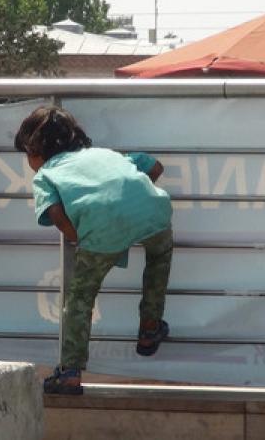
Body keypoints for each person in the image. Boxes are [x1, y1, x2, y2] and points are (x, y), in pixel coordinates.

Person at [14, 105, 173, 394]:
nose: (28, 162)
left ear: (36, 150)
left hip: (99, 232)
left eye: (27, 154)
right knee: (159, 257)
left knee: (79, 298)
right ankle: (150, 326)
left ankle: (70, 372)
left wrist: (81, 238)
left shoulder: (46, 175)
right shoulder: (106, 154)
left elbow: (56, 214)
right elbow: (155, 166)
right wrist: (130, 203)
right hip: (153, 211)